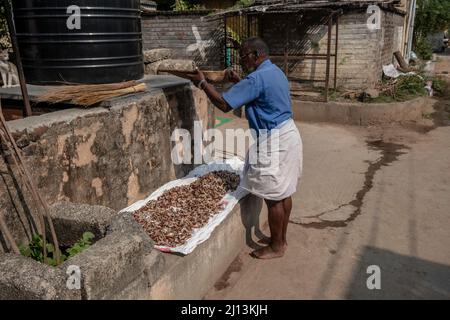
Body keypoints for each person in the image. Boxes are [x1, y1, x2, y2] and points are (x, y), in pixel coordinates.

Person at [187, 37, 303, 259]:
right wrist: (239, 81)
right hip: (288, 135)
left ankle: (277, 247)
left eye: (244, 57)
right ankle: (281, 239)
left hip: (274, 141)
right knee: (284, 192)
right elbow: (257, 95)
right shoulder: (274, 72)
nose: (242, 61)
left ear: (256, 55)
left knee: (273, 197)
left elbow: (223, 104)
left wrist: (202, 83)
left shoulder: (257, 78)